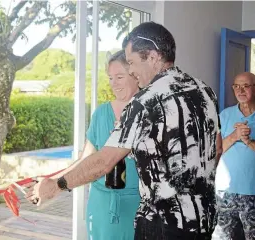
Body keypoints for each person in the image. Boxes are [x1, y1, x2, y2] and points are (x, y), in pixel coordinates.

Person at [26, 22, 222, 239]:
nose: (132, 71)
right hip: (204, 218)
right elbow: (217, 148)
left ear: (153, 57)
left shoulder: (144, 101)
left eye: (132, 63)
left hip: (163, 225)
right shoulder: (205, 91)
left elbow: (103, 162)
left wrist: (57, 185)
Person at [50, 50, 140, 239]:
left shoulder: (149, 113)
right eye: (110, 78)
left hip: (139, 206)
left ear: (135, 75)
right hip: (101, 205)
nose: (113, 83)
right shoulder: (101, 113)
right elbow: (86, 158)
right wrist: (53, 182)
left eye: (119, 77)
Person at [212, 72, 255, 240]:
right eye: (236, 86)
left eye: (245, 86)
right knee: (221, 237)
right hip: (224, 191)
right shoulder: (225, 115)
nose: (240, 90)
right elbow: (217, 149)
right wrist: (236, 135)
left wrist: (248, 141)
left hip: (252, 191)